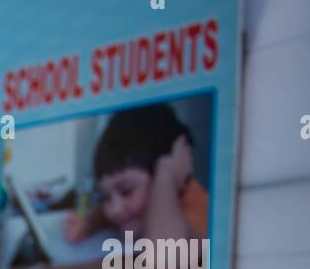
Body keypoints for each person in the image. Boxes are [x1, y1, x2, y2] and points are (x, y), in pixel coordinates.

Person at [63, 102, 209, 249]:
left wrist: (166, 168)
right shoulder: (130, 211)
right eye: (106, 197)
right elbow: (103, 214)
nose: (115, 210)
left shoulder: (201, 210)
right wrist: (88, 226)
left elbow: (164, 260)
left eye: (127, 191)